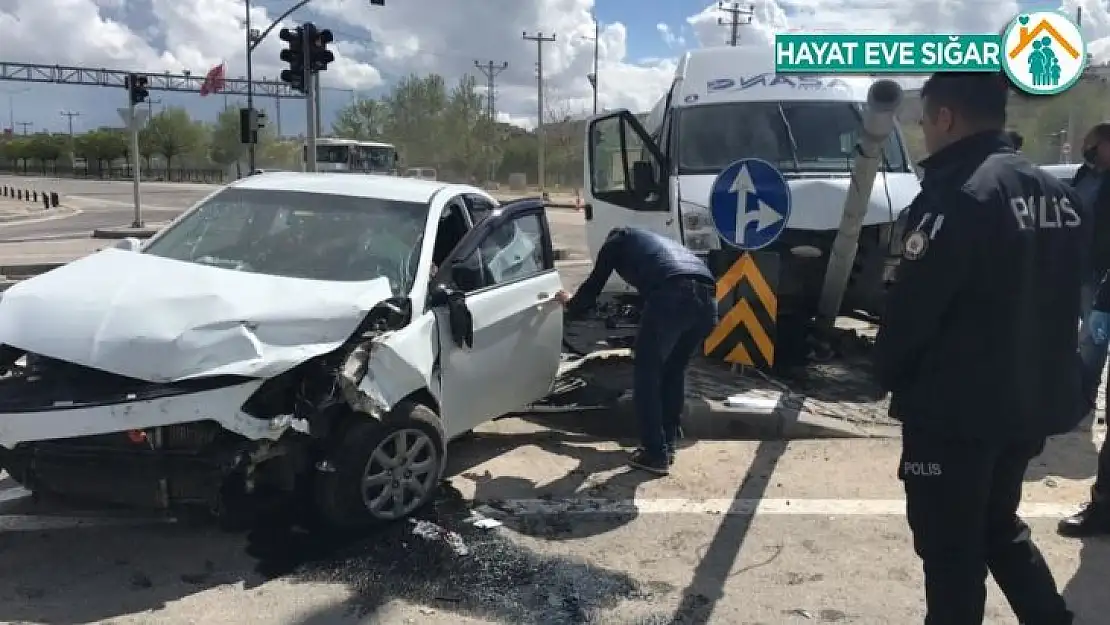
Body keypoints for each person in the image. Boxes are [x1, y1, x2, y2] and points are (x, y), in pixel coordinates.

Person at [873, 72, 1084, 625]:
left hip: (955, 411)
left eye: (924, 121)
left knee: (949, 553)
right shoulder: (1056, 194)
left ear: (945, 117)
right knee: (998, 528)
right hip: (1025, 401)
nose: (924, 135)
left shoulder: (959, 195)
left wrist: (885, 372)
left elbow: (915, 308)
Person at [554, 226, 717, 475]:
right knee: (673, 372)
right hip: (707, 303)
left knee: (646, 376)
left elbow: (595, 283)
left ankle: (654, 454)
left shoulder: (617, 241)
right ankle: (668, 443)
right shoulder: (656, 244)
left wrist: (571, 304)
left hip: (672, 296)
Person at [1058, 122, 1110, 538]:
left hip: (1102, 276)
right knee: (1084, 345)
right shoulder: (1084, 176)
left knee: (1091, 348)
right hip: (1087, 272)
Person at [1072, 123, 1110, 433]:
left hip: (1103, 268)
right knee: (1084, 336)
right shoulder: (1084, 177)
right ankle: (1079, 393)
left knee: (1094, 340)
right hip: (1078, 265)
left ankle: (1087, 396)